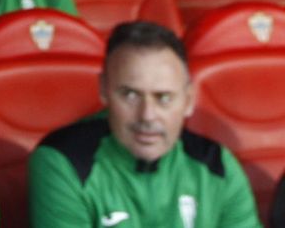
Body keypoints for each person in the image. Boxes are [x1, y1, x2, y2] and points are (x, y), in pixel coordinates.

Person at [29, 22, 262, 228]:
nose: (147, 115)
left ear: (188, 101)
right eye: (130, 95)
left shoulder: (217, 166)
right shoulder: (64, 162)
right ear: (103, 90)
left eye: (164, 98)